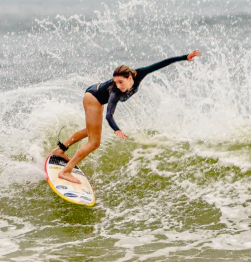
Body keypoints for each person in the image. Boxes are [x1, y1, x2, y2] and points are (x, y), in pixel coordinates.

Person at [52, 50, 202, 183]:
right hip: (93, 98)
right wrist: (116, 129)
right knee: (94, 142)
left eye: (120, 82)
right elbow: (109, 115)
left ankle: (60, 150)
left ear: (130, 78)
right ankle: (66, 171)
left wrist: (185, 57)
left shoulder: (139, 73)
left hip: (96, 95)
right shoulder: (115, 91)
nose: (118, 86)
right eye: (115, 82)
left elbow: (161, 64)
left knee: (90, 130)